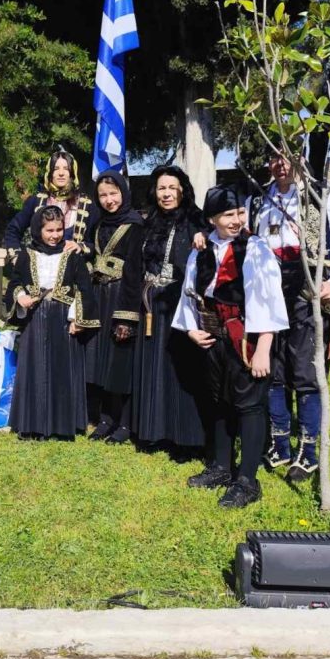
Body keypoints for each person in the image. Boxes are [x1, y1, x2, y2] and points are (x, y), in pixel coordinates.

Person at [173, 185, 288, 508]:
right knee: (218, 401)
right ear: (212, 219)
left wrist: (264, 345)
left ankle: (247, 481)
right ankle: (222, 467)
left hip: (246, 338)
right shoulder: (202, 248)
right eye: (228, 215)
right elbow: (189, 291)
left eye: (239, 212)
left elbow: (269, 298)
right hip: (212, 337)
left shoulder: (255, 248)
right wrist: (191, 330)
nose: (236, 220)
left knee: (249, 405)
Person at [247, 151, 330, 482]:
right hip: (268, 291)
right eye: (273, 158)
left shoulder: (322, 197)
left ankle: (309, 450)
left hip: (307, 290)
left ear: (301, 160)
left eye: (287, 157)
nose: (280, 164)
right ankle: (280, 444)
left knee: (305, 373)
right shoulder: (258, 199)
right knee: (273, 370)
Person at [132, 165, 208, 452]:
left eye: (171, 188)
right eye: (161, 188)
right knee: (153, 368)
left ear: (182, 190)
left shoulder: (195, 218)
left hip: (179, 303)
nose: (166, 194)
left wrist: (202, 236)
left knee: (179, 370)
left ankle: (184, 437)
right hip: (150, 303)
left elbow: (207, 246)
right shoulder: (148, 220)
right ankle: (152, 431)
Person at [5, 206, 98, 439]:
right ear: (38, 229)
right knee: (34, 368)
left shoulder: (72, 255)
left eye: (58, 229)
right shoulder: (27, 254)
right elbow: (14, 283)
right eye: (49, 230)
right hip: (35, 317)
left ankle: (62, 425)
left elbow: (84, 288)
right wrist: (21, 297)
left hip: (62, 318)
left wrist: (77, 318)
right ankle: (31, 424)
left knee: (62, 369)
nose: (55, 235)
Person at [85, 171, 144, 443]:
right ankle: (106, 418)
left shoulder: (135, 225)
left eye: (113, 193)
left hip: (122, 297)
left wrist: (126, 318)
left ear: (123, 192)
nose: (109, 200)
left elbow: (135, 272)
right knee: (102, 362)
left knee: (121, 362)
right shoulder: (98, 225)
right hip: (100, 297)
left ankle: (125, 423)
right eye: (103, 195)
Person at [4, 148, 98, 259]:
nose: (61, 173)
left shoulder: (87, 205)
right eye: (56, 169)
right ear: (50, 173)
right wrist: (16, 257)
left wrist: (80, 246)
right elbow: (13, 230)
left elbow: (96, 244)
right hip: (40, 270)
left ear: (72, 173)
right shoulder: (36, 201)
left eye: (66, 169)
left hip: (74, 271)